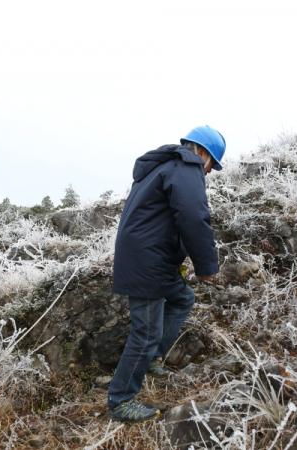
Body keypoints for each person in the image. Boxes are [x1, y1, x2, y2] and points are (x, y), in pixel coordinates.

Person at [108, 125, 224, 422]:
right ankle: (121, 400)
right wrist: (207, 266)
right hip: (148, 261)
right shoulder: (186, 167)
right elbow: (193, 217)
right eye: (212, 165)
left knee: (182, 298)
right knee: (145, 332)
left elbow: (170, 217)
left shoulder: (163, 168)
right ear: (203, 153)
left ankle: (150, 359)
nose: (209, 172)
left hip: (150, 258)